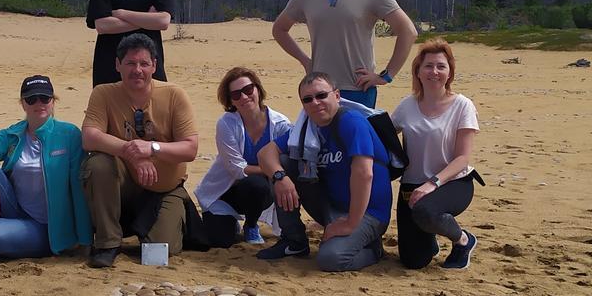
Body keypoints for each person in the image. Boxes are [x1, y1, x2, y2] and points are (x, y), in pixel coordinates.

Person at [254, 72, 392, 272]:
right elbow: (265, 154)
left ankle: (373, 250)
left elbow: (364, 174)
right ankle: (294, 241)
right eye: (308, 99)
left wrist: (351, 223)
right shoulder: (307, 129)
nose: (315, 103)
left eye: (321, 96)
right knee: (284, 163)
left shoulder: (351, 121)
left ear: (336, 95)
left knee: (331, 259)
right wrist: (280, 177)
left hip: (367, 213)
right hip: (331, 206)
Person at [80, 33, 198, 268]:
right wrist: (131, 151)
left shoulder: (174, 94)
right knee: (97, 164)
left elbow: (190, 148)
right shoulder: (103, 93)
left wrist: (152, 148)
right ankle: (108, 242)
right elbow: (89, 137)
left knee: (160, 252)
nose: (137, 70)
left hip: (165, 188)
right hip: (125, 185)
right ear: (117, 65)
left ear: (154, 65)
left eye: (144, 63)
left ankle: (174, 216)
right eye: (130, 63)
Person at [0, 74, 93, 259]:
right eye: (31, 99)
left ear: (53, 101)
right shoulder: (13, 134)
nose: (39, 103)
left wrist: (86, 241)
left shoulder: (69, 135)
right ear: (23, 104)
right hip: (15, 212)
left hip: (48, 229)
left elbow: (79, 191)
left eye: (45, 98)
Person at [272, 0, 417, 108]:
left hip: (358, 89)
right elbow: (279, 29)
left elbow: (408, 31)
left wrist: (386, 75)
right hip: (320, 90)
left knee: (356, 136)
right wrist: (306, 61)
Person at [391, 39, 481, 270]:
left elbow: (462, 158)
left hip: (453, 181)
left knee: (425, 211)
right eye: (428, 66)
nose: (434, 72)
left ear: (449, 72)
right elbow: (384, 137)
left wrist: (433, 183)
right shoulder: (407, 105)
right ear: (418, 72)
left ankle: (462, 240)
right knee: (413, 261)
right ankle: (428, 238)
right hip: (412, 184)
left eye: (441, 66)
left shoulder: (462, 105)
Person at [194, 66, 292, 248]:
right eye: (236, 94)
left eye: (248, 90)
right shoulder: (226, 123)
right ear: (230, 100)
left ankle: (252, 225)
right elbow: (236, 169)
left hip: (262, 191)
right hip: (227, 192)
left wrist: (275, 174)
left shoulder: (280, 124)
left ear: (257, 89)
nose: (245, 97)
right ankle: (230, 222)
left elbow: (288, 162)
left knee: (257, 185)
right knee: (219, 240)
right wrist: (270, 170)